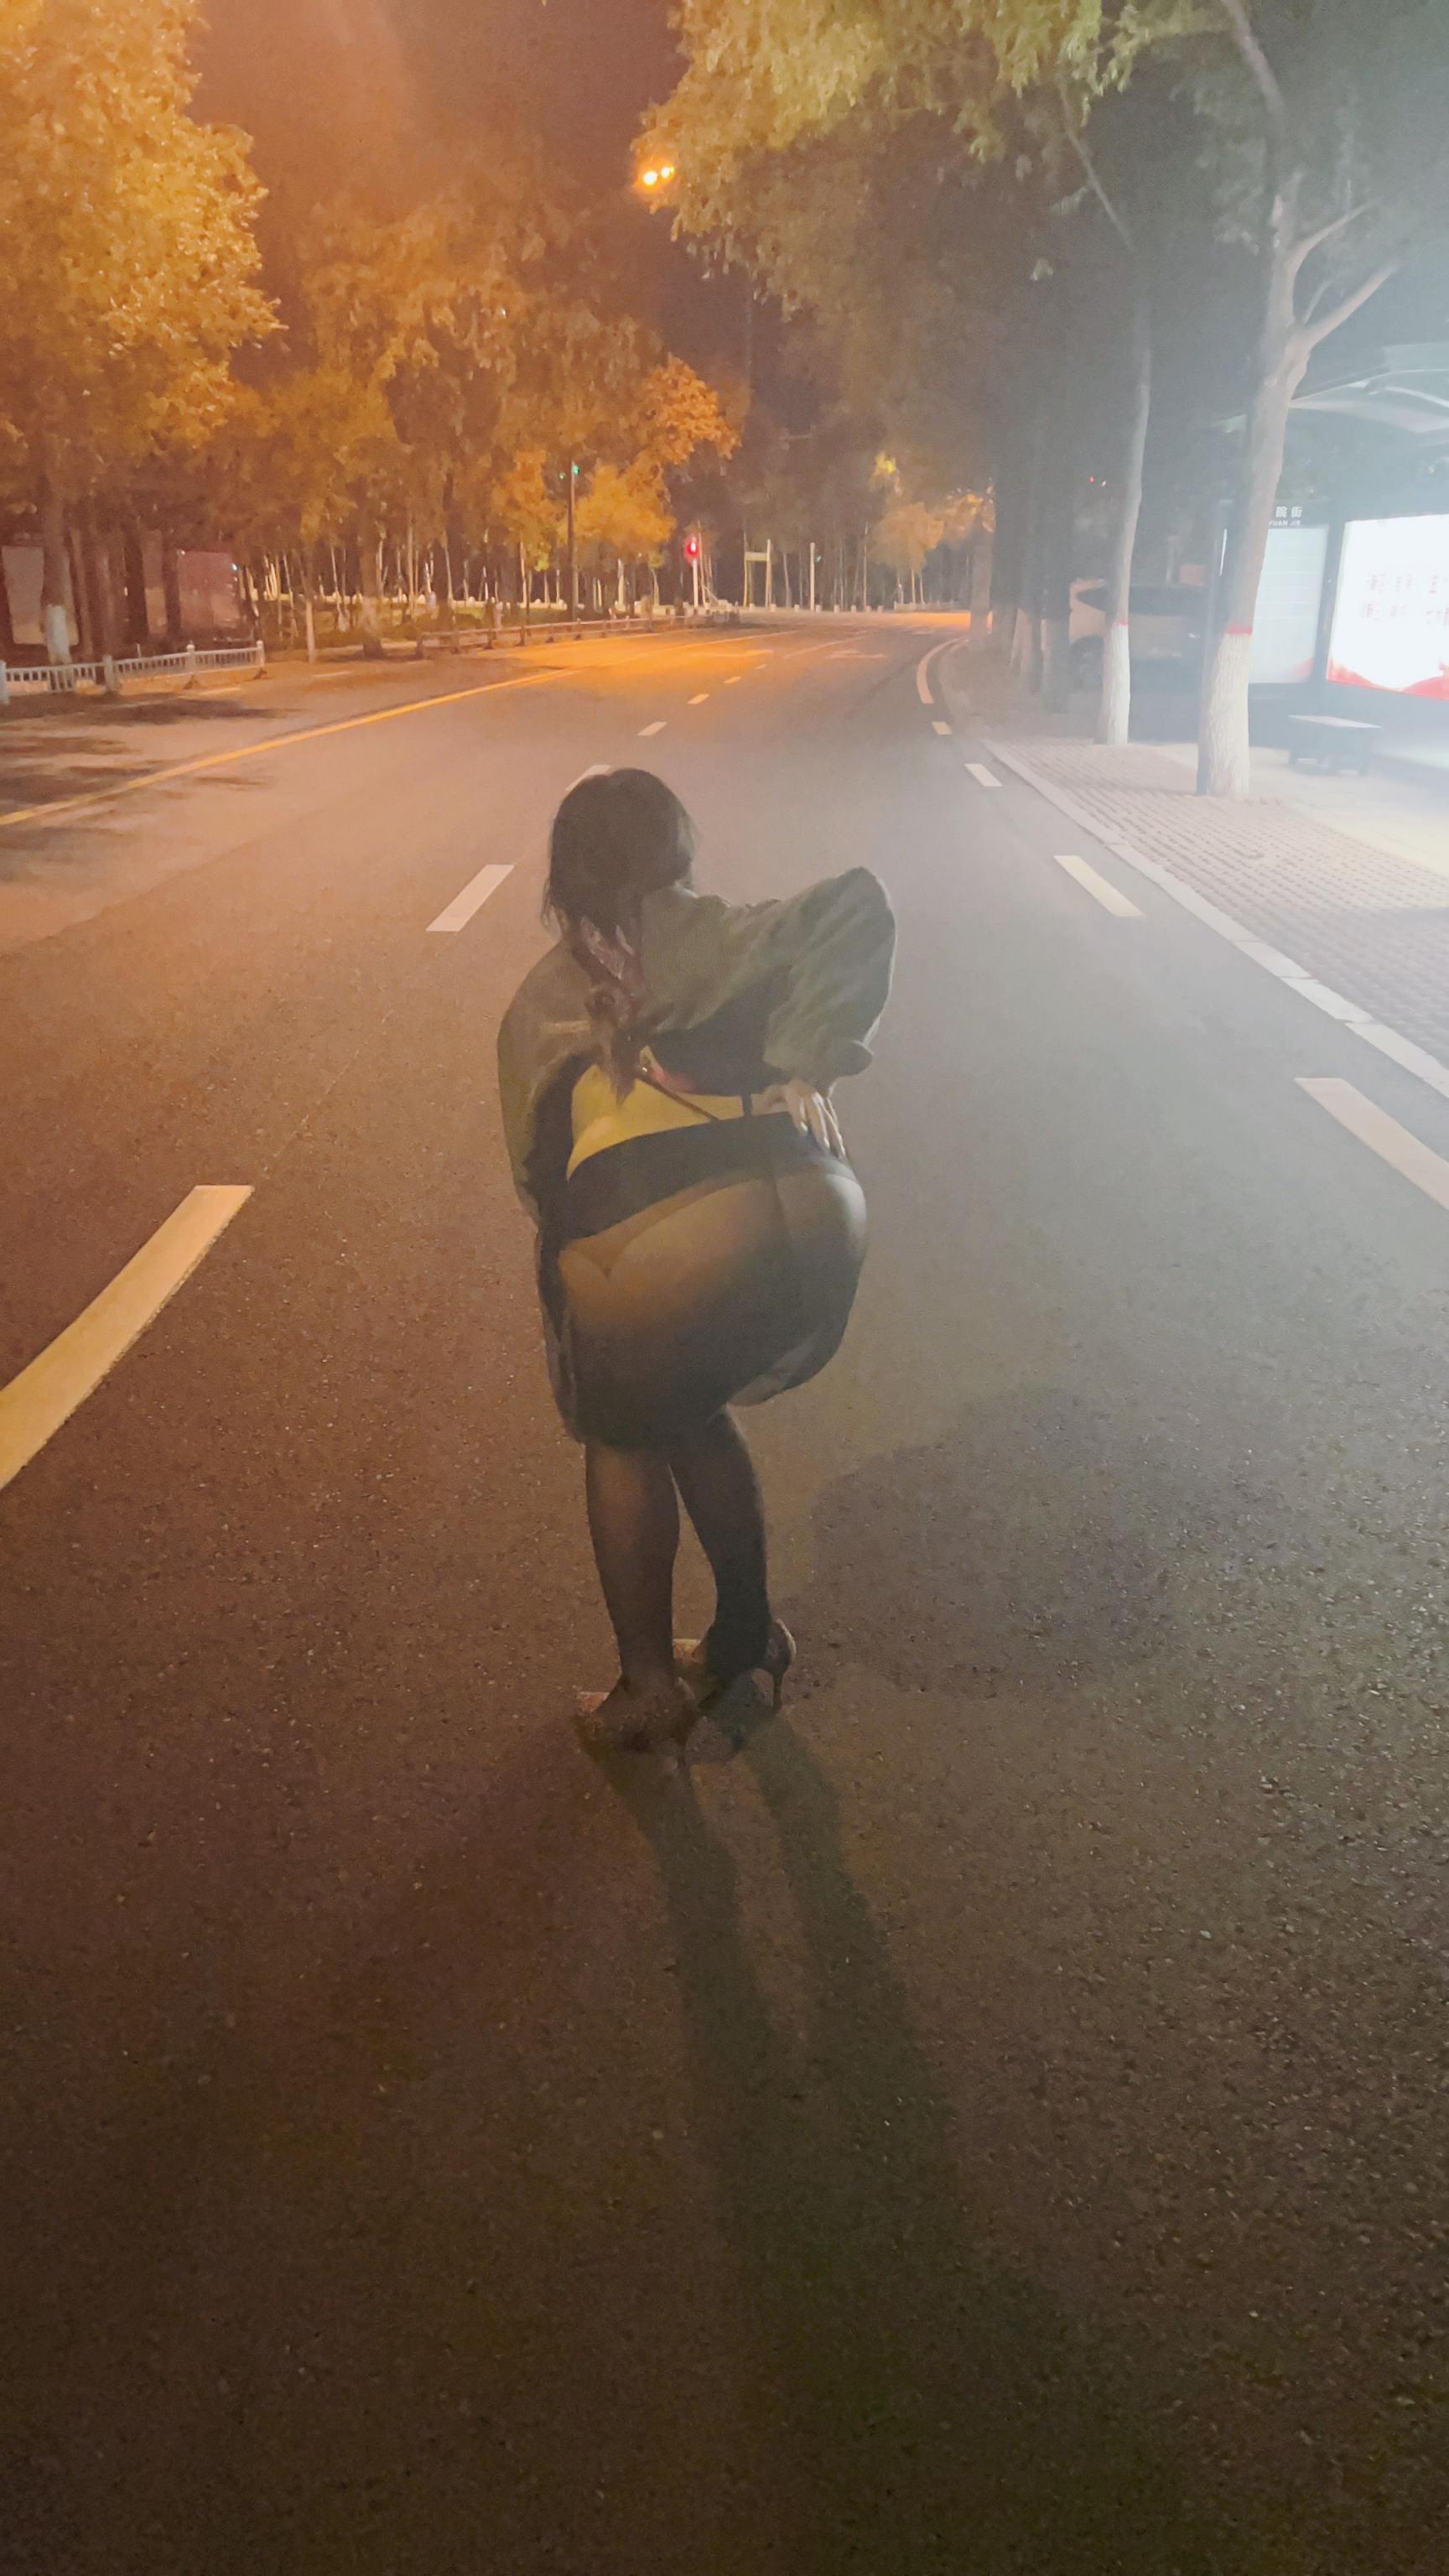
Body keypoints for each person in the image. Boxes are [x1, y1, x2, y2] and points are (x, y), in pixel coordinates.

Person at [497, 768, 895, 1753]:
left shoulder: (542, 999)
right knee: (689, 1403)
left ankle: (647, 1688)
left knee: (624, 1432)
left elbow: (539, 1178)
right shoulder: (723, 932)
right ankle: (746, 1639)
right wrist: (807, 1061)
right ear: (675, 851)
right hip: (823, 1210)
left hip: (669, 1240)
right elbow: (857, 905)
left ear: (565, 877)